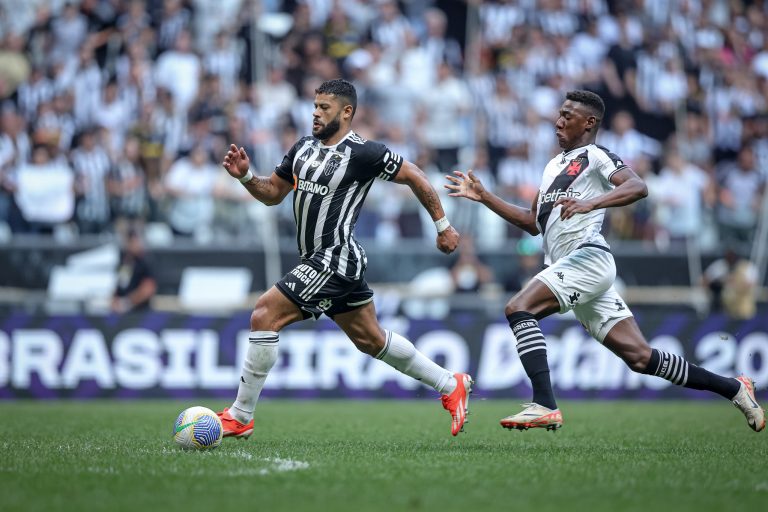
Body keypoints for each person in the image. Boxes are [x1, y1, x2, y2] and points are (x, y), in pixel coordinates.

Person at [445, 90, 764, 433]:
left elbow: (638, 186)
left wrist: (591, 203)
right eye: (559, 113)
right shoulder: (553, 165)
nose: (558, 120)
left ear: (590, 122)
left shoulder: (596, 156)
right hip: (569, 266)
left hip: (588, 259)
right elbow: (532, 222)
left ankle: (544, 404)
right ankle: (735, 389)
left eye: (568, 115)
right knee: (641, 358)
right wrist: (485, 197)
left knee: (518, 308)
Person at [219, 79, 472, 438]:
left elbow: (415, 175)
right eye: (315, 106)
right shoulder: (303, 148)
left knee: (264, 314)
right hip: (318, 260)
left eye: (324, 107)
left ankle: (241, 417)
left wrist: (443, 226)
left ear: (347, 111)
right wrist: (245, 176)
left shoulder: (364, 153)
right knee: (371, 340)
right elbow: (273, 193)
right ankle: (450, 384)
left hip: (334, 258)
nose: (315, 113)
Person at [111, 229, 156, 313]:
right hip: (121, 313)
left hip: (140, 313)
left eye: (136, 241)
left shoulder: (145, 262)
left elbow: (148, 288)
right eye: (131, 242)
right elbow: (120, 285)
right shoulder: (124, 262)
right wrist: (115, 302)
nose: (134, 245)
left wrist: (127, 302)